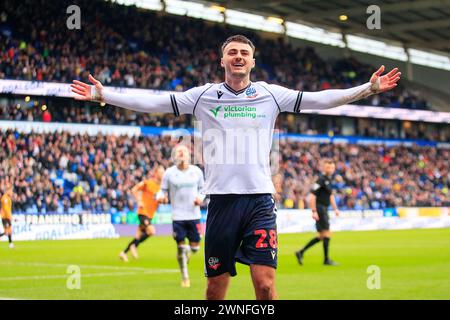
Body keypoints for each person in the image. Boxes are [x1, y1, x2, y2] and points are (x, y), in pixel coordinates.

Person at [71, 34, 401, 300]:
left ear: (253, 61)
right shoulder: (204, 96)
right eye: (232, 52)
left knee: (266, 286)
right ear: (223, 60)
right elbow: (155, 104)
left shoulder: (271, 95)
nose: (238, 56)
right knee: (215, 290)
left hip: (259, 201)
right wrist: (106, 96)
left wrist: (366, 89)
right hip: (222, 204)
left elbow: (318, 99)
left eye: (244, 52)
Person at [157, 144, 205, 288]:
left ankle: (187, 253)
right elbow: (162, 191)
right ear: (174, 156)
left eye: (184, 151)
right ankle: (185, 277)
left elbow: (203, 189)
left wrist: (200, 199)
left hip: (194, 215)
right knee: (181, 246)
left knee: (195, 247)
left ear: (188, 155)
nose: (181, 154)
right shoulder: (169, 173)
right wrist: (160, 198)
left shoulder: (196, 172)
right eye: (178, 152)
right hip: (177, 216)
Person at [295, 159, 340, 266]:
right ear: (324, 168)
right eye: (328, 167)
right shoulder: (320, 180)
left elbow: (330, 195)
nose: (331, 169)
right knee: (327, 233)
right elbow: (312, 196)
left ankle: (300, 252)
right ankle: (326, 260)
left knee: (321, 236)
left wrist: (335, 209)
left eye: (332, 167)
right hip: (320, 209)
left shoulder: (329, 180)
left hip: (324, 208)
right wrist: (314, 211)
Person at [119, 166, 165, 262]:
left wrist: (163, 200)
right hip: (143, 212)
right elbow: (134, 189)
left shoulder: (162, 188)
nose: (163, 174)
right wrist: (139, 200)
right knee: (151, 231)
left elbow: (161, 200)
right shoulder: (148, 183)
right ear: (156, 173)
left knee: (138, 236)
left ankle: (123, 253)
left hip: (150, 214)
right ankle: (134, 246)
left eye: (163, 172)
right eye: (161, 172)